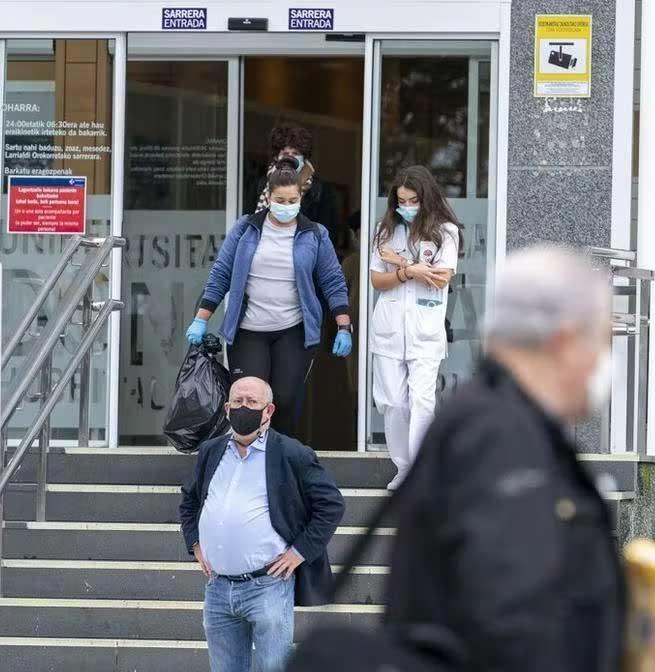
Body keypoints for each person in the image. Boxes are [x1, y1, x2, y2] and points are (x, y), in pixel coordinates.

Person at [383, 247, 623, 672]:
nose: (605, 362)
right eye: (604, 340)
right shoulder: (501, 439)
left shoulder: (491, 420)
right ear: (565, 340)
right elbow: (513, 627)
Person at [179, 377, 345, 672]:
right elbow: (189, 501)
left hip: (267, 586)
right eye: (238, 402)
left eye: (252, 402)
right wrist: (195, 543)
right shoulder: (211, 451)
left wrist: (299, 552)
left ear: (268, 411)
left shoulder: (292, 453)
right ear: (227, 409)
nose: (244, 407)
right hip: (218, 588)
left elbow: (331, 505)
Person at [187, 160, 353, 438]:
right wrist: (200, 320)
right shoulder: (246, 229)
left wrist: (344, 326)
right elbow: (221, 275)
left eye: (292, 200)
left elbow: (333, 281)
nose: (286, 205)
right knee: (249, 402)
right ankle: (249, 462)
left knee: (284, 401)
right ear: (269, 196)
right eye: (280, 200)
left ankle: (277, 461)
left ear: (301, 198)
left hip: (293, 330)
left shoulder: (314, 234)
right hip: (248, 330)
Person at [368, 166, 460, 489]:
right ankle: (404, 466)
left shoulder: (445, 232)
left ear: (426, 198)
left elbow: (441, 276)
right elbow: (377, 279)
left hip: (425, 330)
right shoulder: (386, 229)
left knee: (422, 400)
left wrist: (401, 262)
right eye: (401, 200)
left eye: (413, 200)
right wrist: (408, 271)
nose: (406, 206)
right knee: (392, 402)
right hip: (390, 330)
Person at [246, 121, 340, 240]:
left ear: (304, 157)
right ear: (276, 156)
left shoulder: (320, 191)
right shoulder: (260, 185)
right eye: (285, 153)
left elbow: (329, 232)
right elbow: (248, 222)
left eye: (295, 153)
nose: (290, 157)